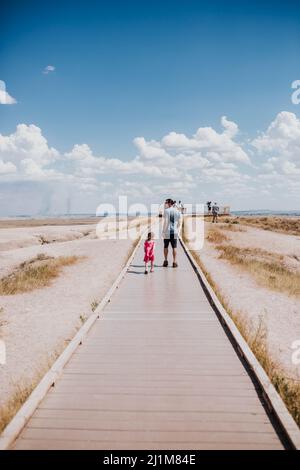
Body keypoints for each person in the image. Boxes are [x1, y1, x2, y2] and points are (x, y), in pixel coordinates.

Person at [163, 198, 182, 268]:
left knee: (165, 246)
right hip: (174, 231)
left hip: (167, 231)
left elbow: (165, 222)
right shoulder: (177, 211)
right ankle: (174, 262)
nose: (165, 204)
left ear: (169, 204)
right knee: (174, 247)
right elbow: (179, 223)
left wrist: (163, 231)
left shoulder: (166, 211)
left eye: (166, 203)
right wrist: (177, 229)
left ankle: (165, 261)